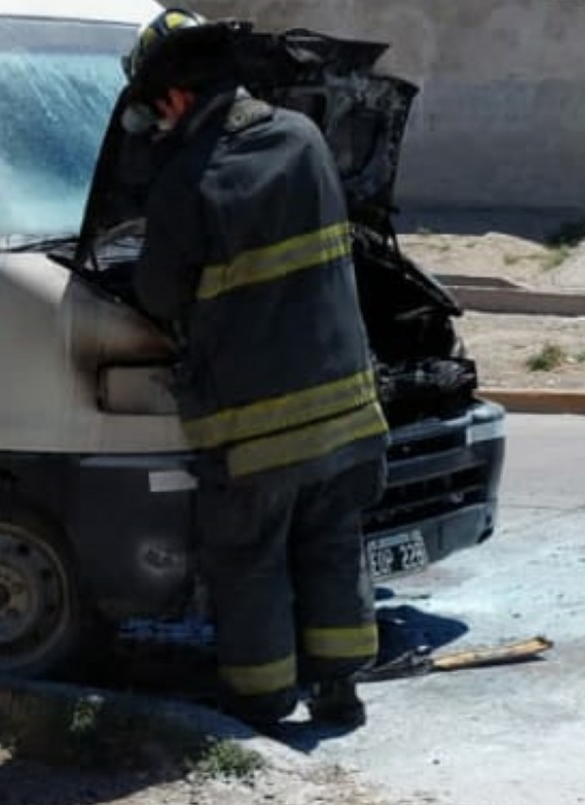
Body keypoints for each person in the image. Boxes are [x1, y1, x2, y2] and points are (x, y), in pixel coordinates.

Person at [121, 8, 390, 730]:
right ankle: (340, 691)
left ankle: (265, 699)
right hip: (346, 408)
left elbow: (158, 292)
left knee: (251, 560)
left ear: (175, 95)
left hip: (256, 426)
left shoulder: (188, 175)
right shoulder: (304, 138)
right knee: (332, 546)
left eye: (154, 105)